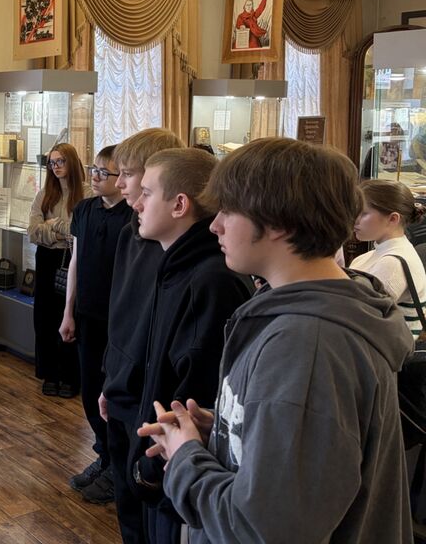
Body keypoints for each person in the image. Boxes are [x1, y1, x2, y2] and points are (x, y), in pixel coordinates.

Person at [139, 137, 413, 543]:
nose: (215, 225)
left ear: (279, 223)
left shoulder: (307, 345)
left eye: (228, 210)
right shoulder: (303, 320)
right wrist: (228, 432)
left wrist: (185, 459)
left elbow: (266, 528)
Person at [127, 148, 251, 543]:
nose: (136, 203)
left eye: (147, 193)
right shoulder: (176, 266)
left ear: (180, 204)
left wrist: (149, 471)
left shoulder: (209, 281)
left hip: (177, 481)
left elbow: (194, 393)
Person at [102, 128, 182, 541]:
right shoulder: (131, 234)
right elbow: (120, 315)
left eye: (129, 175)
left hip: (148, 399)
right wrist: (109, 378)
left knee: (151, 511)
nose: (120, 184)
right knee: (127, 506)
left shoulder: (170, 247)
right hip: (121, 388)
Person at [59, 145, 132, 503]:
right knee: (90, 392)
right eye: (94, 169)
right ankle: (105, 455)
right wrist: (68, 311)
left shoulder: (133, 216)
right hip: (87, 314)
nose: (96, 177)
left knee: (113, 394)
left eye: (105, 172)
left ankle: (118, 468)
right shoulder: (84, 209)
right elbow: (75, 261)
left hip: (118, 321)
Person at [29, 142, 86, 398]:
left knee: (70, 315)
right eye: (52, 163)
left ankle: (70, 375)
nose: (56, 167)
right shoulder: (44, 194)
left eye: (60, 161)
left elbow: (79, 233)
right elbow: (33, 232)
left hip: (73, 258)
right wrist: (60, 233)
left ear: (71, 162)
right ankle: (50, 373)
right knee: (45, 317)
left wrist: (55, 225)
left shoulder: (86, 193)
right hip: (47, 259)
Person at [351, 179, 426, 336]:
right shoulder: (372, 255)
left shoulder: (393, 264)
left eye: (363, 213)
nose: (355, 219)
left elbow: (359, 318)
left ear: (393, 219)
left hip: (383, 348)